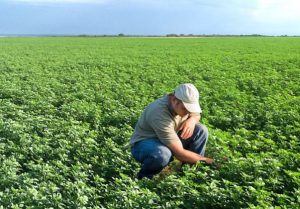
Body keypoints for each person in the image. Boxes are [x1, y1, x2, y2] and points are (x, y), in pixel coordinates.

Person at [130, 83, 214, 179]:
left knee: (201, 130)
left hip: (170, 137)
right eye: (185, 109)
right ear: (174, 100)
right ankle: (143, 179)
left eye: (190, 109)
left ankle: (188, 174)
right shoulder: (158, 112)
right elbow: (179, 153)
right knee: (162, 154)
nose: (188, 112)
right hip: (146, 143)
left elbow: (196, 114)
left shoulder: (184, 102)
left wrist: (191, 120)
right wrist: (208, 161)